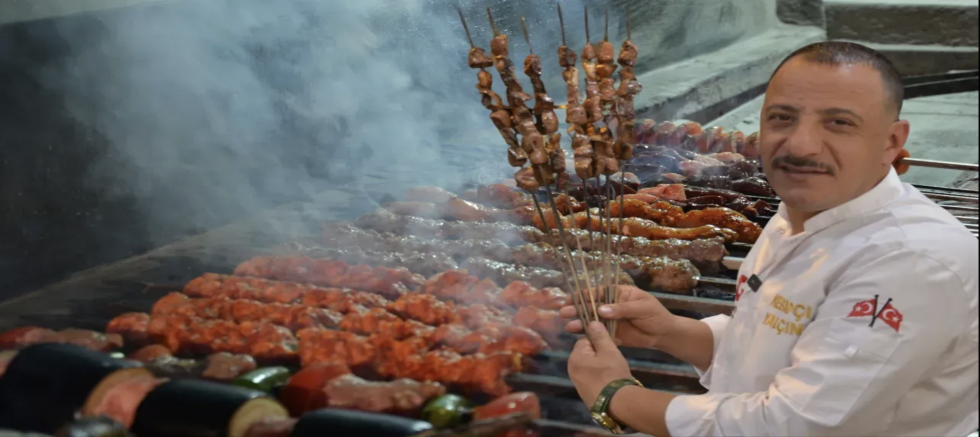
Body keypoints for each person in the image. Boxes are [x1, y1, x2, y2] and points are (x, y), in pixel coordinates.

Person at [563, 41, 979, 436]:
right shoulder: (802, 211)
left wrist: (616, 397)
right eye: (782, 117)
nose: (799, 144)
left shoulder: (911, 261)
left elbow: (790, 425)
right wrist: (668, 332)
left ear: (892, 142)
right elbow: (771, 345)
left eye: (839, 122)